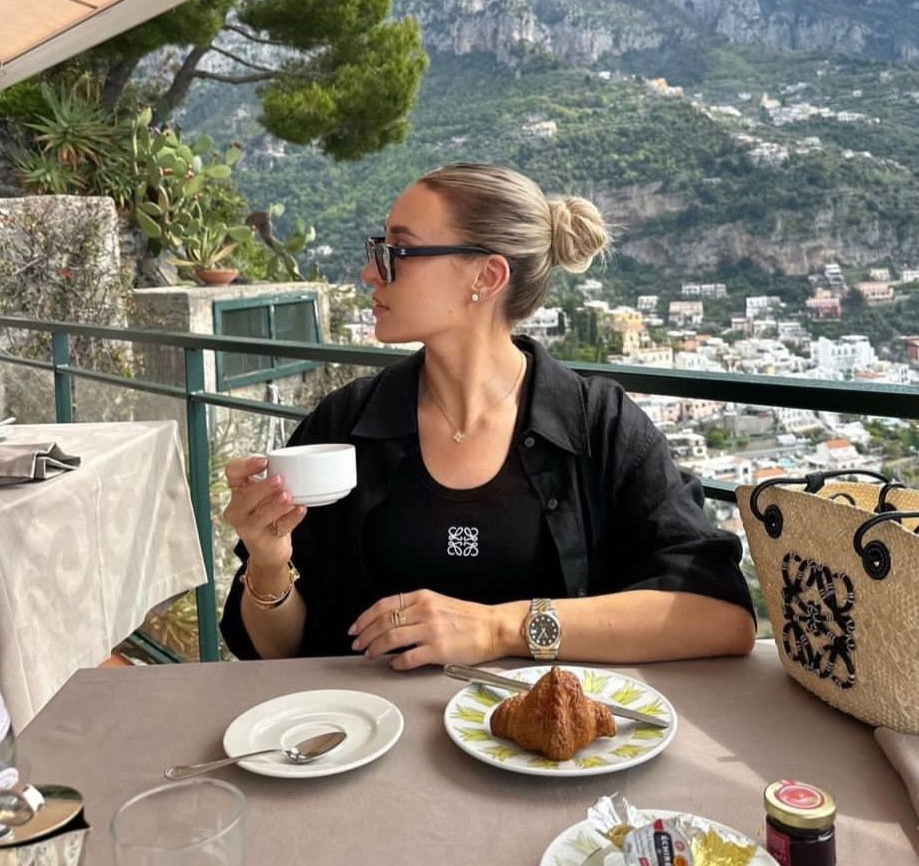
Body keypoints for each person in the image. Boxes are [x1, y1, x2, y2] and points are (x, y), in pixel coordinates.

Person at [220, 163, 756, 669]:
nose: (369, 271)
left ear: (488, 275)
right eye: (378, 248)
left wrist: (500, 628)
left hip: (553, 755)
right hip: (375, 747)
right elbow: (275, 654)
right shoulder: (346, 424)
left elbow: (720, 614)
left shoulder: (599, 425)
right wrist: (268, 562)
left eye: (398, 250)